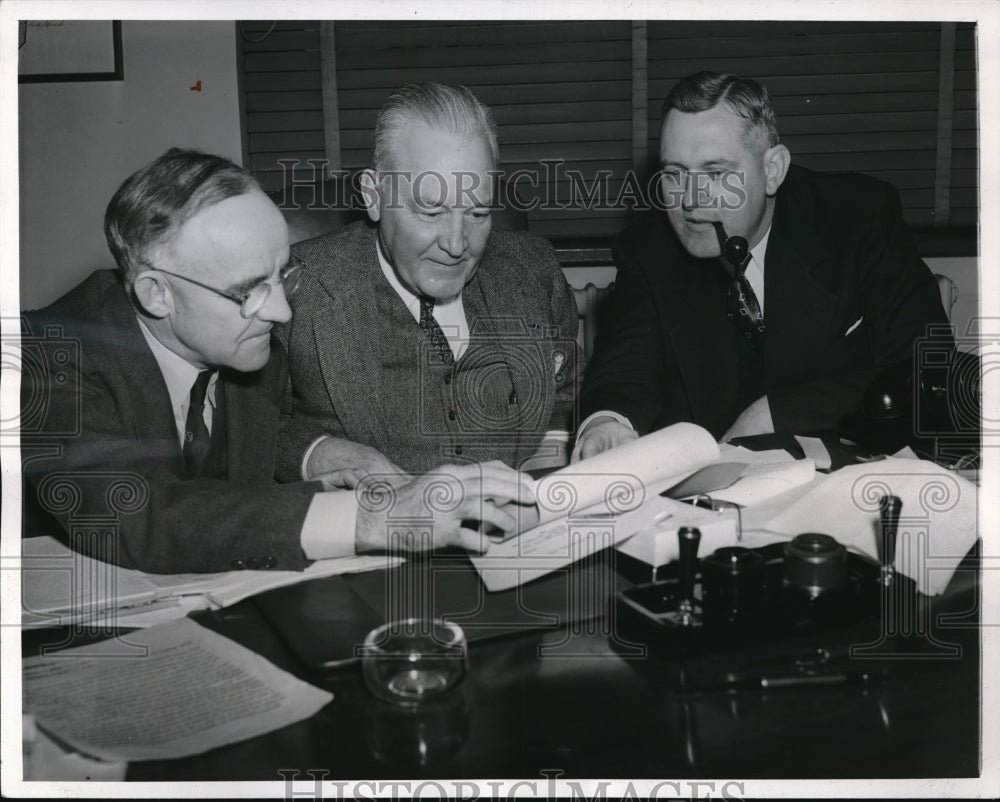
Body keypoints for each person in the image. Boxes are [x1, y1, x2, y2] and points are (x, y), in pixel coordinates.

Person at [20, 148, 533, 574]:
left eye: (282, 275)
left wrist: (330, 463)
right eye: (249, 292)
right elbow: (133, 513)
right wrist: (371, 517)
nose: (282, 310)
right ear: (157, 294)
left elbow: (247, 463)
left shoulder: (246, 339)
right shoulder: (48, 357)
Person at [574, 71, 949, 460]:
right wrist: (605, 422)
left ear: (773, 170)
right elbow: (623, 370)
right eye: (675, 174)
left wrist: (776, 413)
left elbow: (928, 370)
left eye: (715, 173)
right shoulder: (649, 249)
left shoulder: (859, 218)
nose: (688, 200)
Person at [276, 82, 579, 487]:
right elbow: (249, 431)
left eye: (477, 213)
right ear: (374, 195)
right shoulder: (298, 290)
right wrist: (318, 454)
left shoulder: (534, 269)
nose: (456, 245)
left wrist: (546, 476)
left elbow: (564, 390)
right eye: (430, 211)